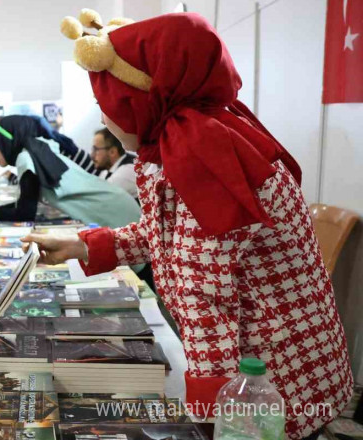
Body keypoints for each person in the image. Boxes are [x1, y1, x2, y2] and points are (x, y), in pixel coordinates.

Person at [25, 11, 353, 439]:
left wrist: (209, 419)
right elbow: (169, 238)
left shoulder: (202, 157)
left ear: (140, 99)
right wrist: (84, 245)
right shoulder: (203, 137)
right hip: (290, 369)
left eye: (106, 104)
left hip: (271, 390)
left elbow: (206, 300)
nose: (104, 119)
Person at [0, 115, 140, 228]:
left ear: (6, 143)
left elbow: (25, 212)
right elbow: (27, 201)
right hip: (118, 205)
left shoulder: (26, 159)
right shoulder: (38, 149)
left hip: (115, 213)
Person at [92, 127, 137, 198]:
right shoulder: (107, 172)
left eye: (96, 149)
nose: (92, 154)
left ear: (112, 152)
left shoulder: (122, 174)